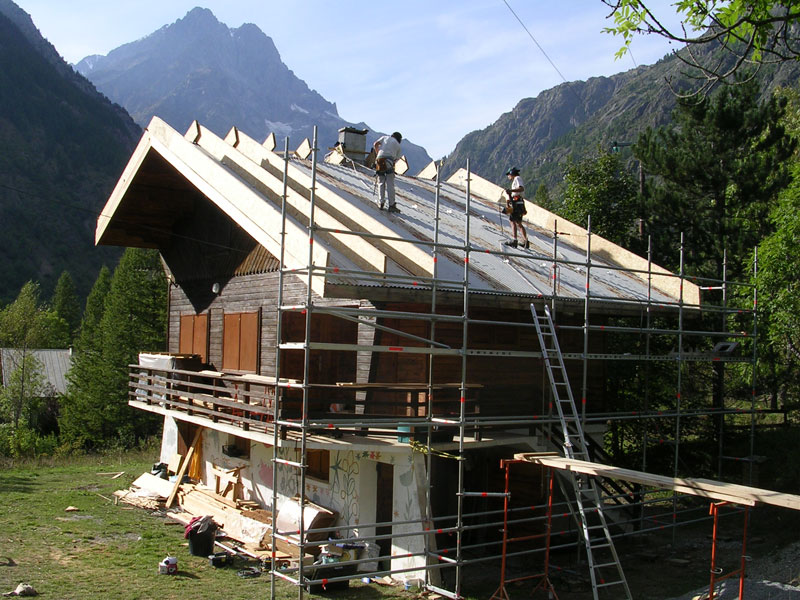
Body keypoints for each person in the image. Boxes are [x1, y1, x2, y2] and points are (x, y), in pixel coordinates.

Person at [372, 132, 403, 213]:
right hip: (389, 161)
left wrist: (377, 153)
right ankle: (391, 205)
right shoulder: (398, 146)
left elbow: (375, 144)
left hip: (379, 159)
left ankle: (381, 202)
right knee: (390, 183)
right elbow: (396, 159)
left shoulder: (384, 137)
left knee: (381, 181)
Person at [503, 167, 529, 248]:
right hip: (518, 203)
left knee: (512, 221)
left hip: (517, 203)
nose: (508, 177)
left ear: (511, 173)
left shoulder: (517, 178)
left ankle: (514, 240)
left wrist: (511, 191)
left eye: (509, 175)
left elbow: (521, 188)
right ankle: (526, 241)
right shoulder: (516, 179)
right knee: (519, 223)